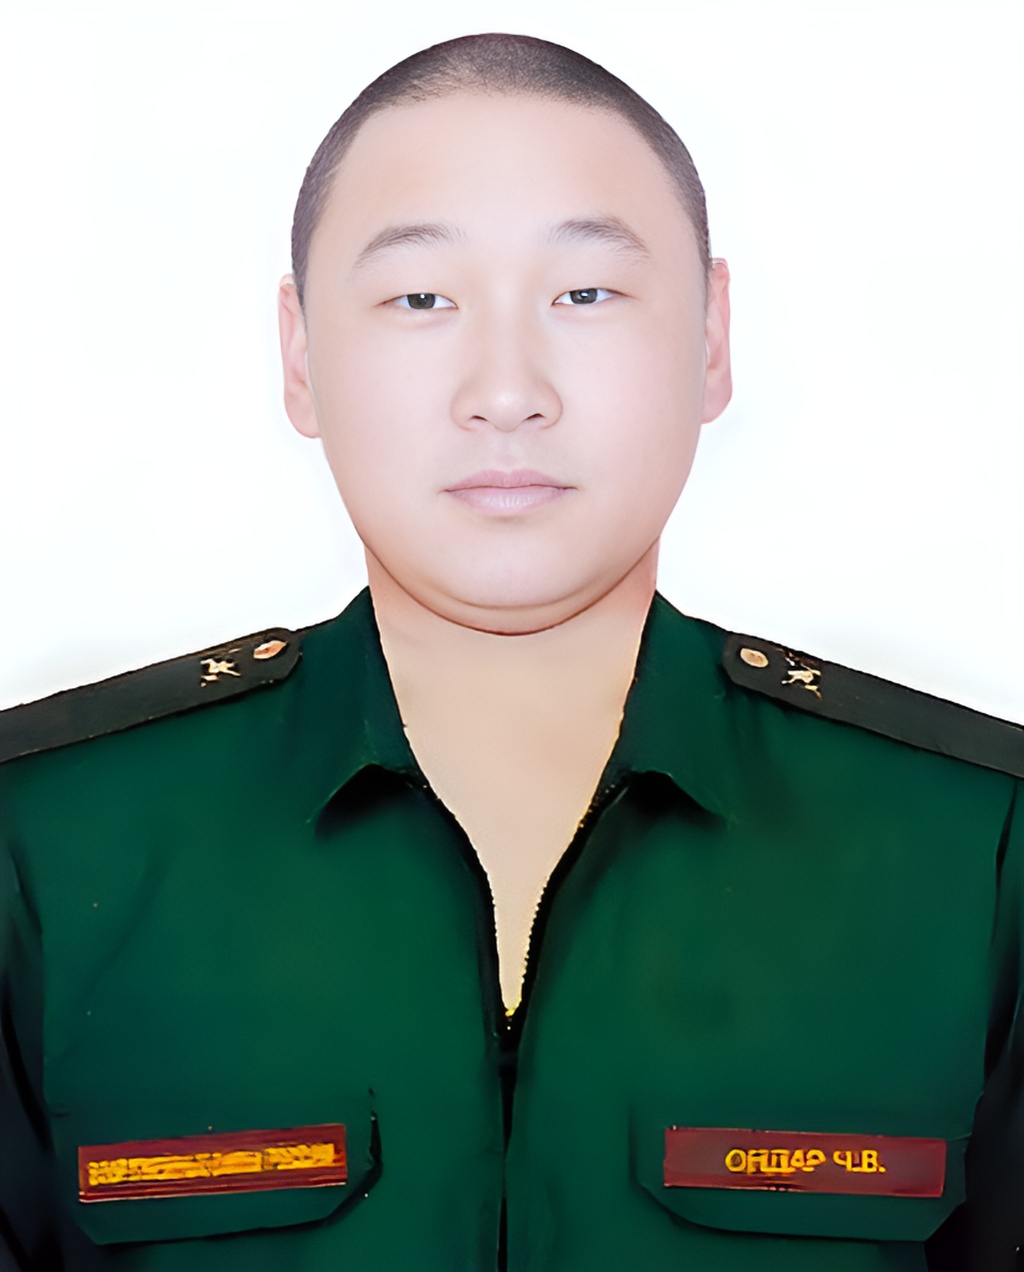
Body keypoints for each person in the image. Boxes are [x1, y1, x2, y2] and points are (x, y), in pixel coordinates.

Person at [1, 31, 1021, 1272]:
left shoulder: (976, 851)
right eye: (420, 299)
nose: (504, 390)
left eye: (583, 295)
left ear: (710, 341)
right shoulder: (46, 843)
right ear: (301, 357)